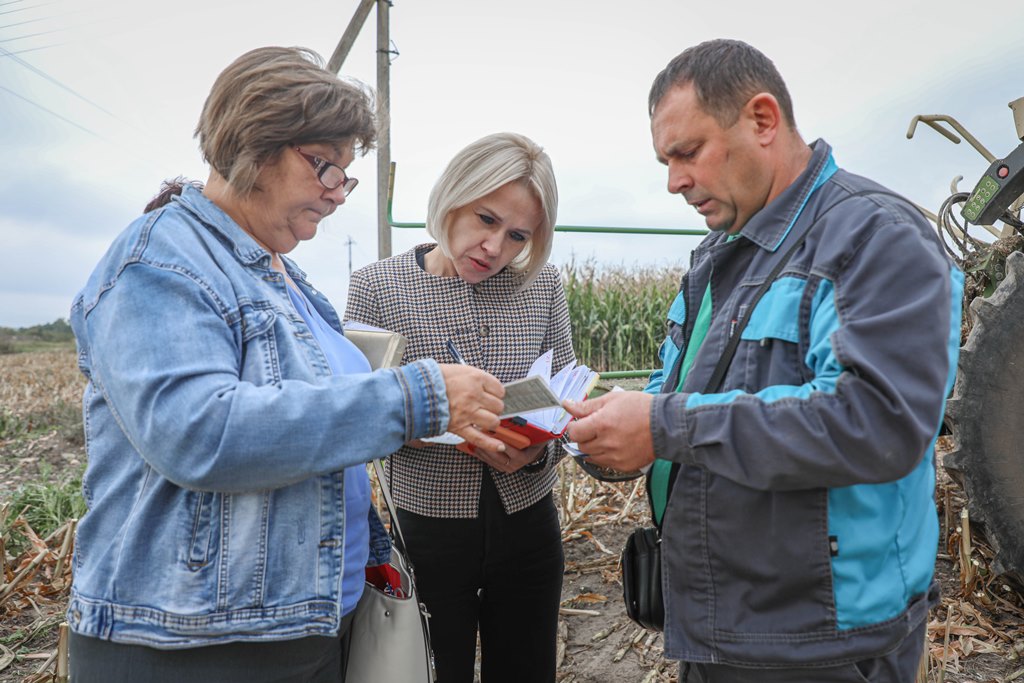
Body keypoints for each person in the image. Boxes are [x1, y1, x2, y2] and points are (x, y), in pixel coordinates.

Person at [66, 46, 509, 683]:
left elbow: (309, 431)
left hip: (299, 625)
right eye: (323, 166)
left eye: (344, 175)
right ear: (251, 144)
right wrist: (415, 398)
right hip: (195, 645)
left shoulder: (287, 279)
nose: (336, 194)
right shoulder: (158, 260)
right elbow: (199, 432)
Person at [565, 39, 963, 683]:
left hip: (822, 643)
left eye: (687, 152)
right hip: (720, 628)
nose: (674, 181)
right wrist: (591, 435)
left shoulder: (875, 237)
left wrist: (663, 426)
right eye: (666, 161)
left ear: (762, 119)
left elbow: (874, 422)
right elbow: (672, 398)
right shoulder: (717, 258)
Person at [343, 132, 571, 683]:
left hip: (528, 526)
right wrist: (421, 425)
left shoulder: (542, 288)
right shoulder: (377, 287)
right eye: (485, 219)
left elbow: (566, 403)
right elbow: (356, 414)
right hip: (425, 528)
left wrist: (538, 452)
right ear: (453, 197)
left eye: (517, 235)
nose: (494, 246)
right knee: (433, 670)